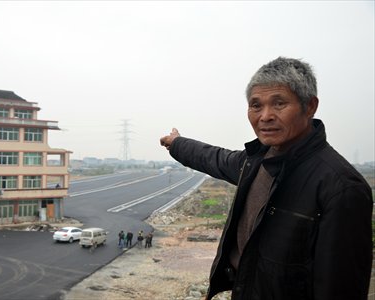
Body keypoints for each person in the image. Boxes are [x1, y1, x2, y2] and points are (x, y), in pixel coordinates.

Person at [160, 57, 373, 300]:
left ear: (310, 106)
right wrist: (177, 144)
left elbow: (340, 289)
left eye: (279, 103)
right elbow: (214, 158)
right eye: (256, 105)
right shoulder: (257, 161)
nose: (265, 116)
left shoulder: (341, 188)